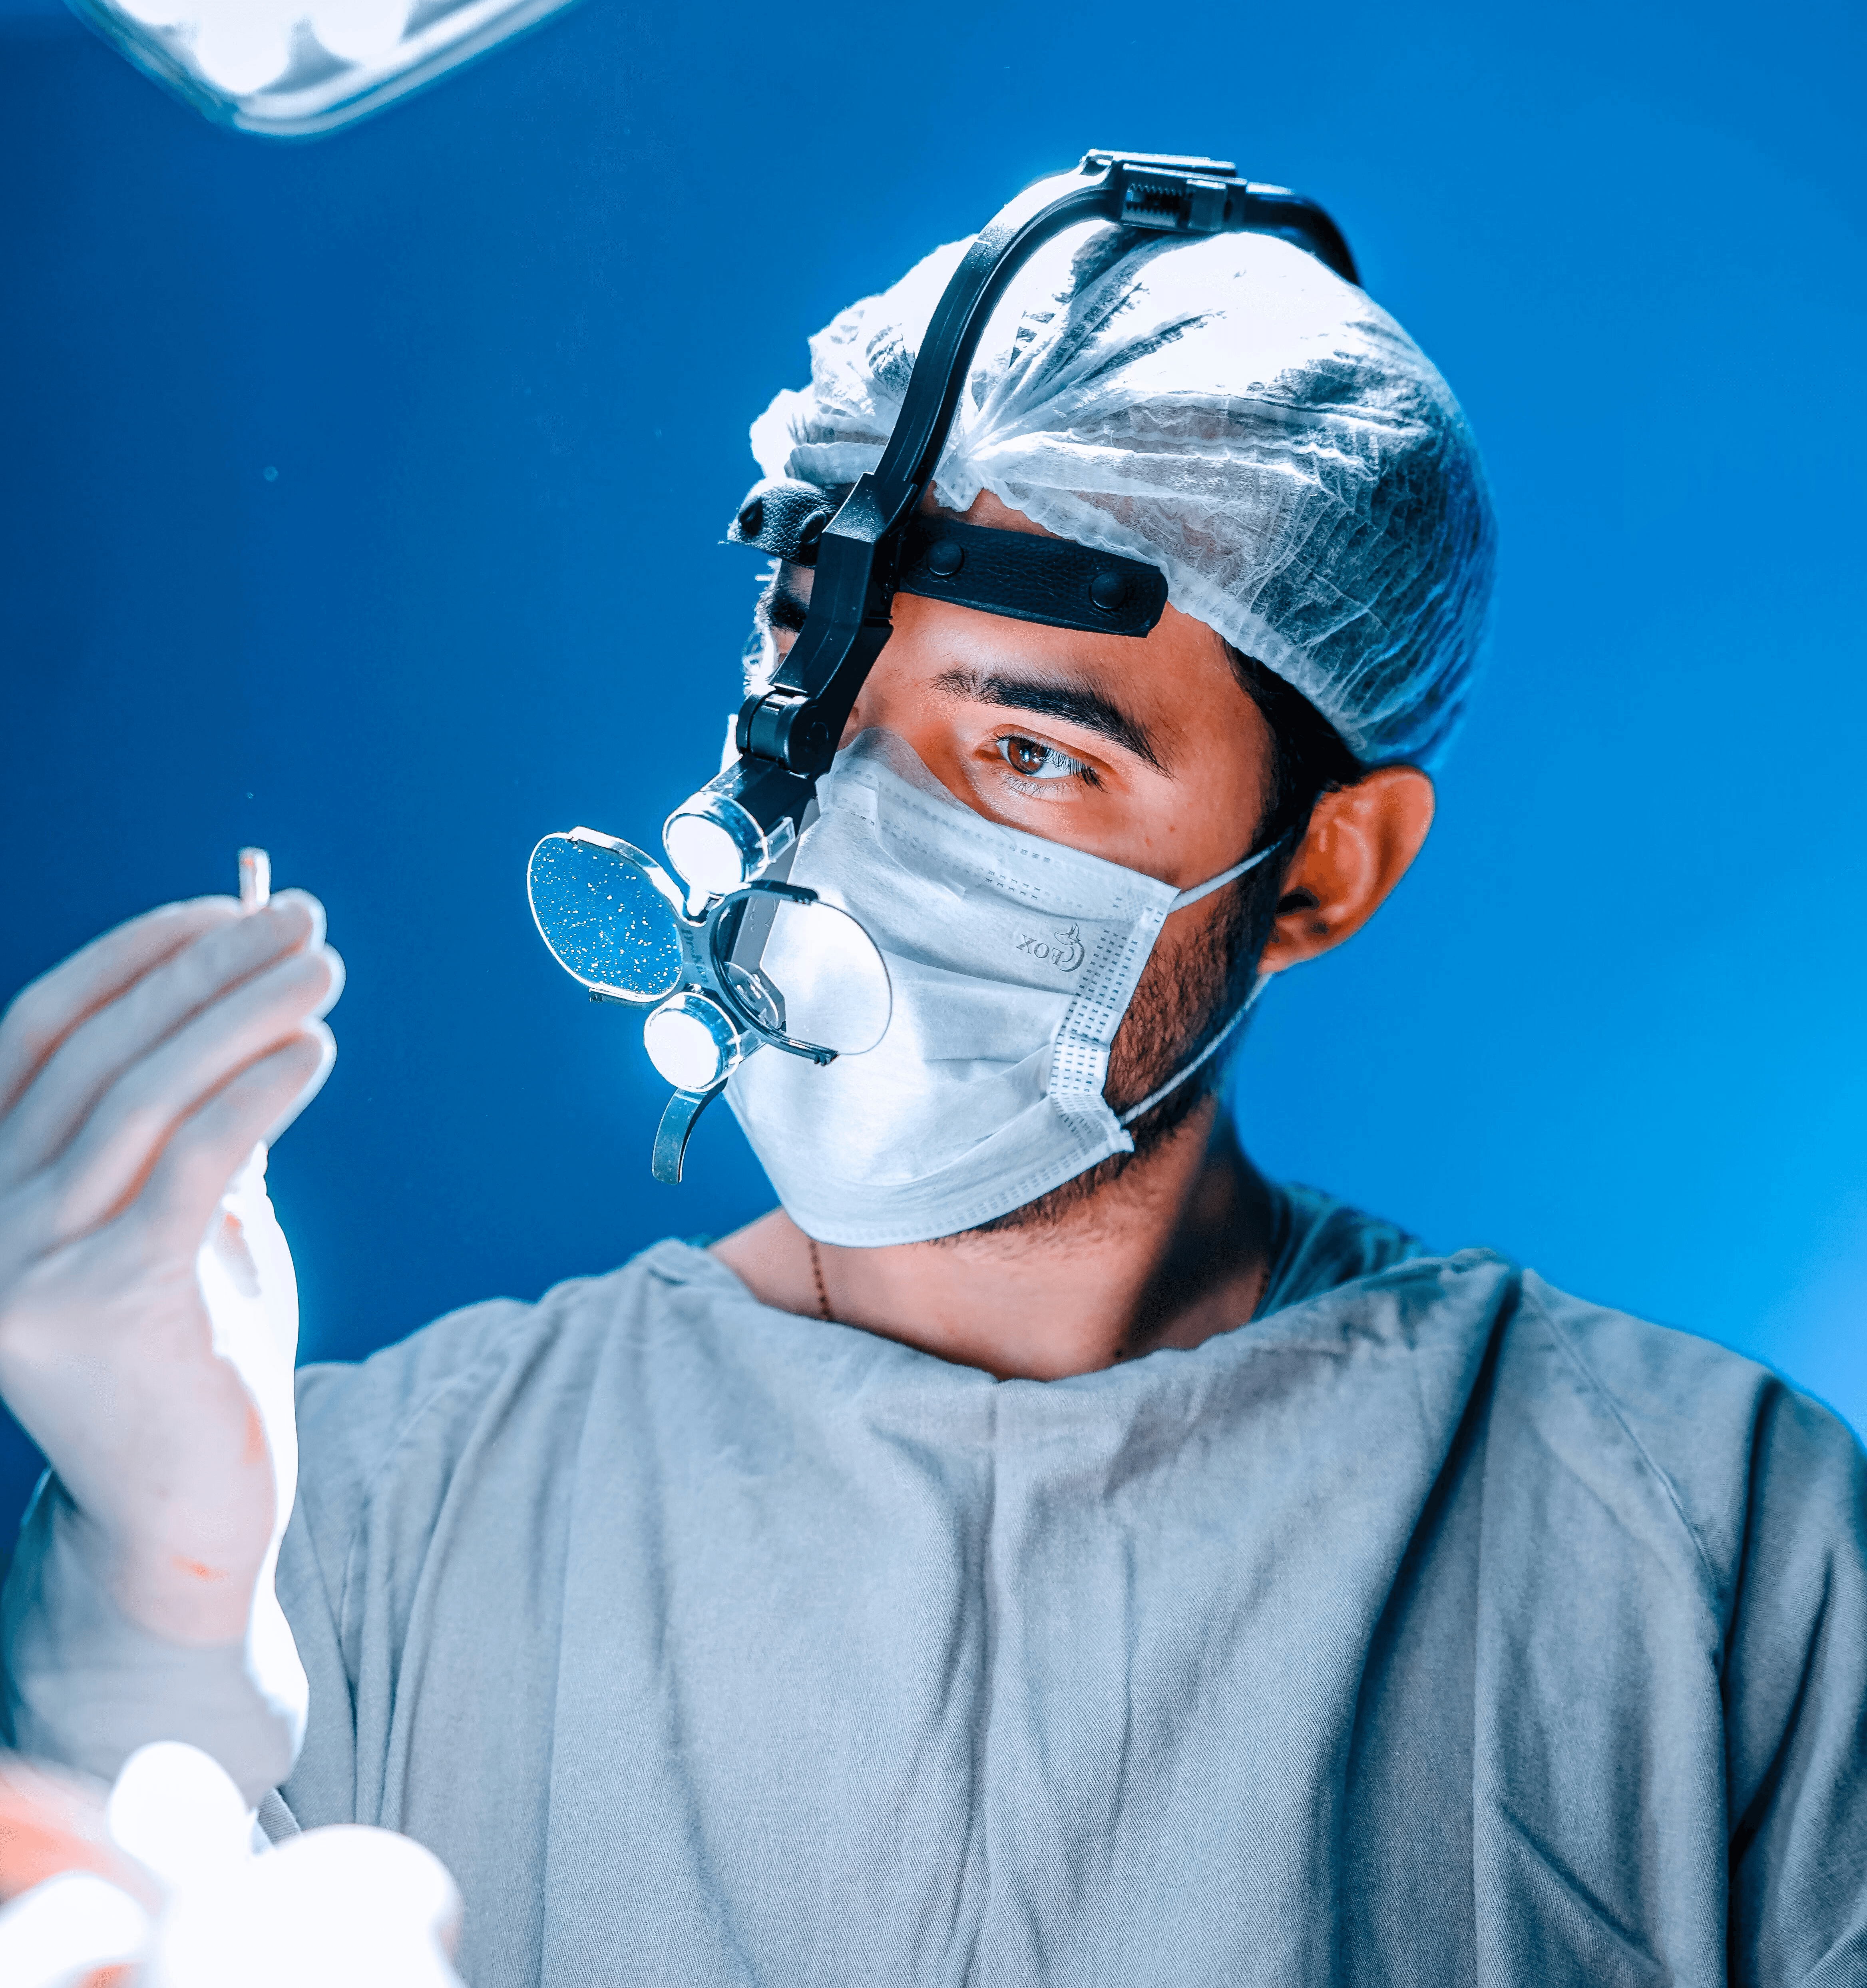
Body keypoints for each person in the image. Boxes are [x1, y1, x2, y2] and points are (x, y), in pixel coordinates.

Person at [3, 211, 1865, 1988]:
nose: (850, 847)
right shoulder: (364, 1520)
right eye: (817, 704)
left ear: (1320, 869)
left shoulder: (1706, 1548)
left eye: (1030, 751)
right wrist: (156, 1593)